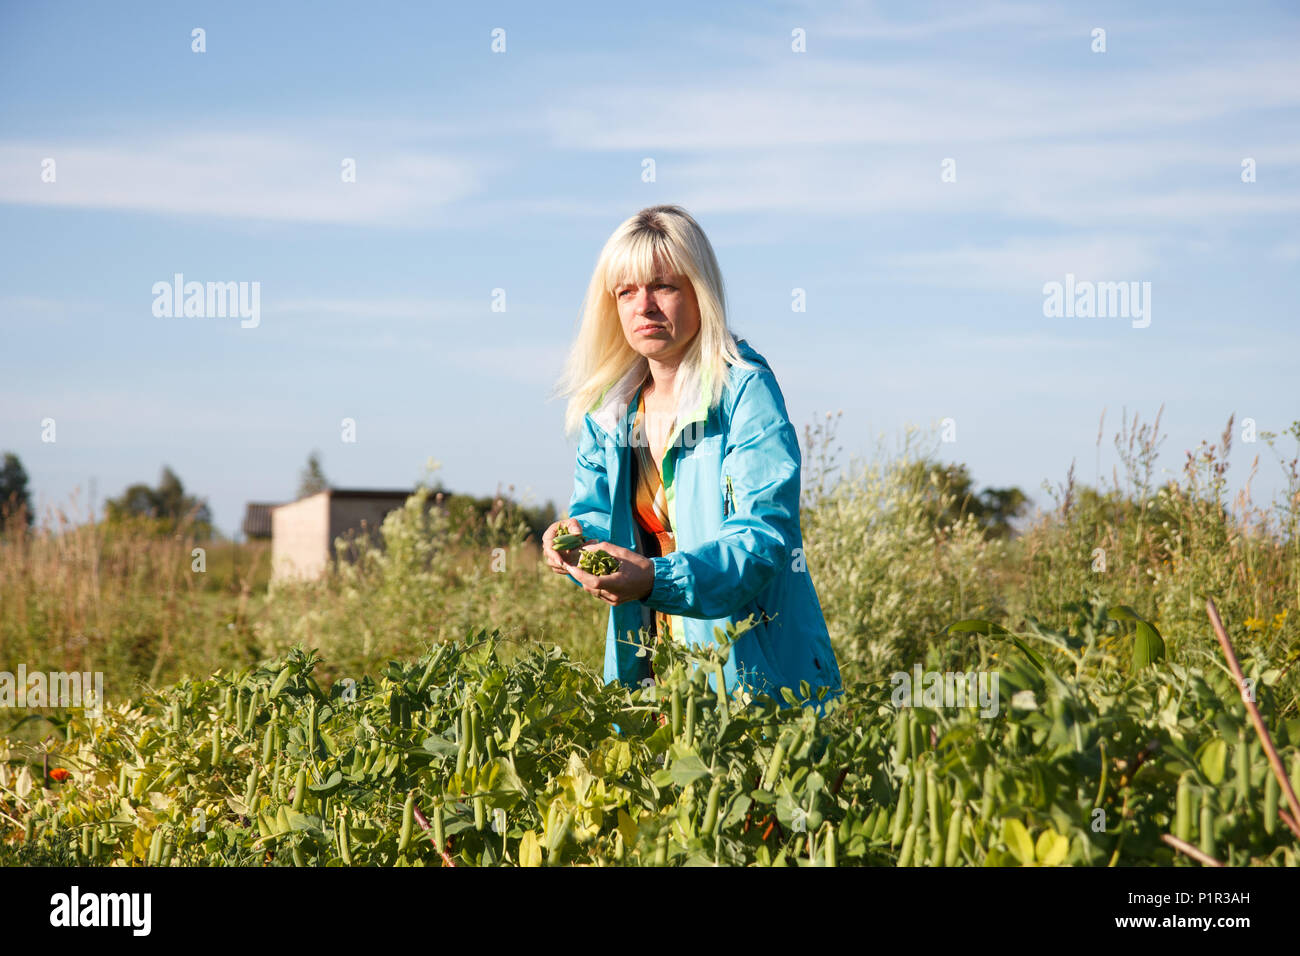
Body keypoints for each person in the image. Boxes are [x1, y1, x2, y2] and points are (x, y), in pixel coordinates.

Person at [544, 204, 842, 716]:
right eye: (627, 291)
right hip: (652, 679)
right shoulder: (610, 410)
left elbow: (764, 539)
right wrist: (572, 545)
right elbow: (595, 521)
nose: (645, 307)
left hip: (754, 679)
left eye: (664, 286)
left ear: (700, 291)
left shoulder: (744, 390)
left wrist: (659, 580)